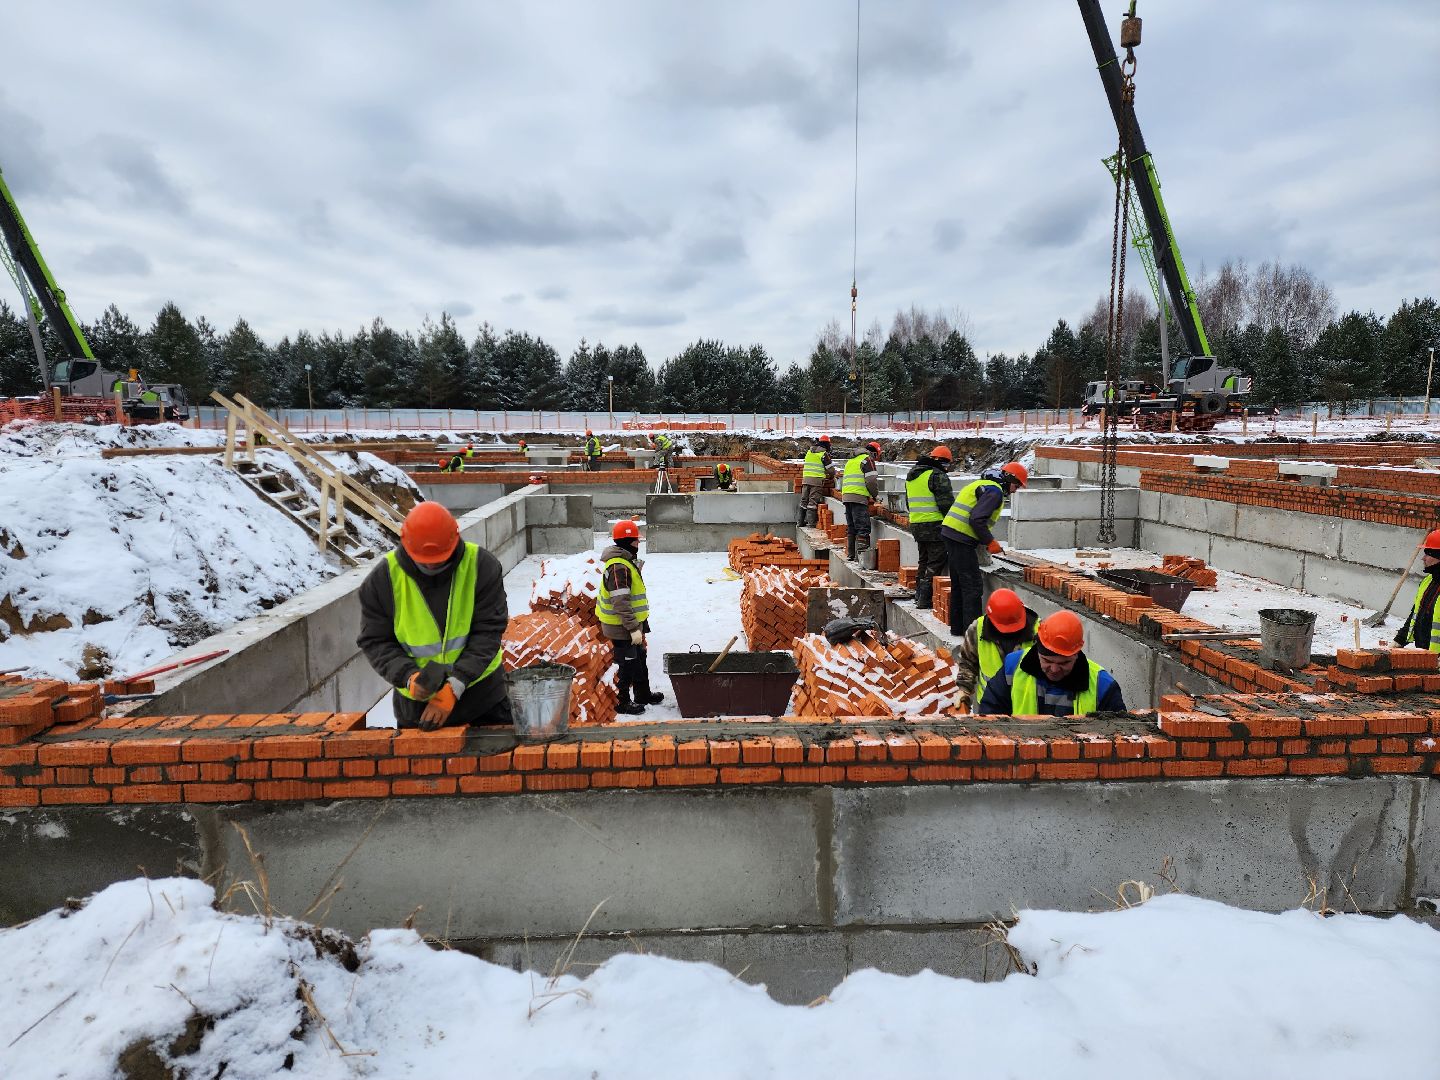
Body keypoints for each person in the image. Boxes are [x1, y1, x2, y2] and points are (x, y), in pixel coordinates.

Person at [357, 501, 510, 730]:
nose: (432, 567)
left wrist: (455, 685)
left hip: (482, 699)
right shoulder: (383, 581)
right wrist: (408, 677)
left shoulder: (481, 566)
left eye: (439, 561)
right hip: (417, 709)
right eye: (424, 563)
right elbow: (376, 641)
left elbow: (488, 632)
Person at [977, 610, 1124, 717]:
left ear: (1076, 655)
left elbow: (1119, 735)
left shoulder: (1102, 685)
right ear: (1037, 651)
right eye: (1047, 661)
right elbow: (989, 714)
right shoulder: (1013, 667)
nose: (1054, 669)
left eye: (1064, 663)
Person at [940, 462, 1028, 637]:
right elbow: (976, 519)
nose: (1015, 490)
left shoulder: (983, 484)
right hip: (960, 538)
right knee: (972, 586)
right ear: (1009, 478)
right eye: (1016, 485)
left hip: (951, 534)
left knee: (959, 585)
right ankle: (972, 635)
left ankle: (958, 629)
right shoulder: (994, 492)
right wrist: (990, 541)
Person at [597, 519, 665, 714]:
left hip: (632, 623)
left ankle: (643, 694)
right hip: (621, 626)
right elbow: (621, 602)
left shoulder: (626, 562)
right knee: (626, 662)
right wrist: (633, 628)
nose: (638, 543)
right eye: (636, 540)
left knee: (639, 658)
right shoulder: (618, 567)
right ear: (627, 541)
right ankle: (622, 702)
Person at [953, 588, 1038, 713]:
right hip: (989, 705)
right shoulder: (978, 629)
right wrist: (963, 689)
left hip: (1026, 707)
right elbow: (968, 662)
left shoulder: (1038, 630)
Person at [905, 445, 955, 609]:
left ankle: (919, 594)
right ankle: (925, 599)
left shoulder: (913, 475)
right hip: (935, 526)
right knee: (936, 561)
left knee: (924, 560)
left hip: (917, 525)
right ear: (942, 462)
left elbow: (908, 503)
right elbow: (946, 504)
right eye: (947, 464)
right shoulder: (937, 475)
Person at [1395, 528, 1440, 651]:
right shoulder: (1428, 581)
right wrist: (1400, 639)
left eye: (1428, 554)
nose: (1423, 558)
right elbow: (1415, 613)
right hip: (1424, 655)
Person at [841, 441, 882, 561]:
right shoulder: (867, 459)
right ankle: (862, 558)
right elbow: (871, 481)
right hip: (858, 497)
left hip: (846, 496)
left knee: (852, 527)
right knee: (862, 527)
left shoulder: (851, 460)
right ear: (874, 453)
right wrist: (875, 496)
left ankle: (851, 555)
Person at [798, 435, 833, 527]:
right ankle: (811, 523)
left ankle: (800, 522)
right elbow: (830, 470)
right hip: (816, 481)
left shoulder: (809, 451)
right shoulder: (823, 454)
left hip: (805, 480)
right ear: (827, 444)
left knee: (804, 501)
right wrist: (832, 476)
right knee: (812, 502)